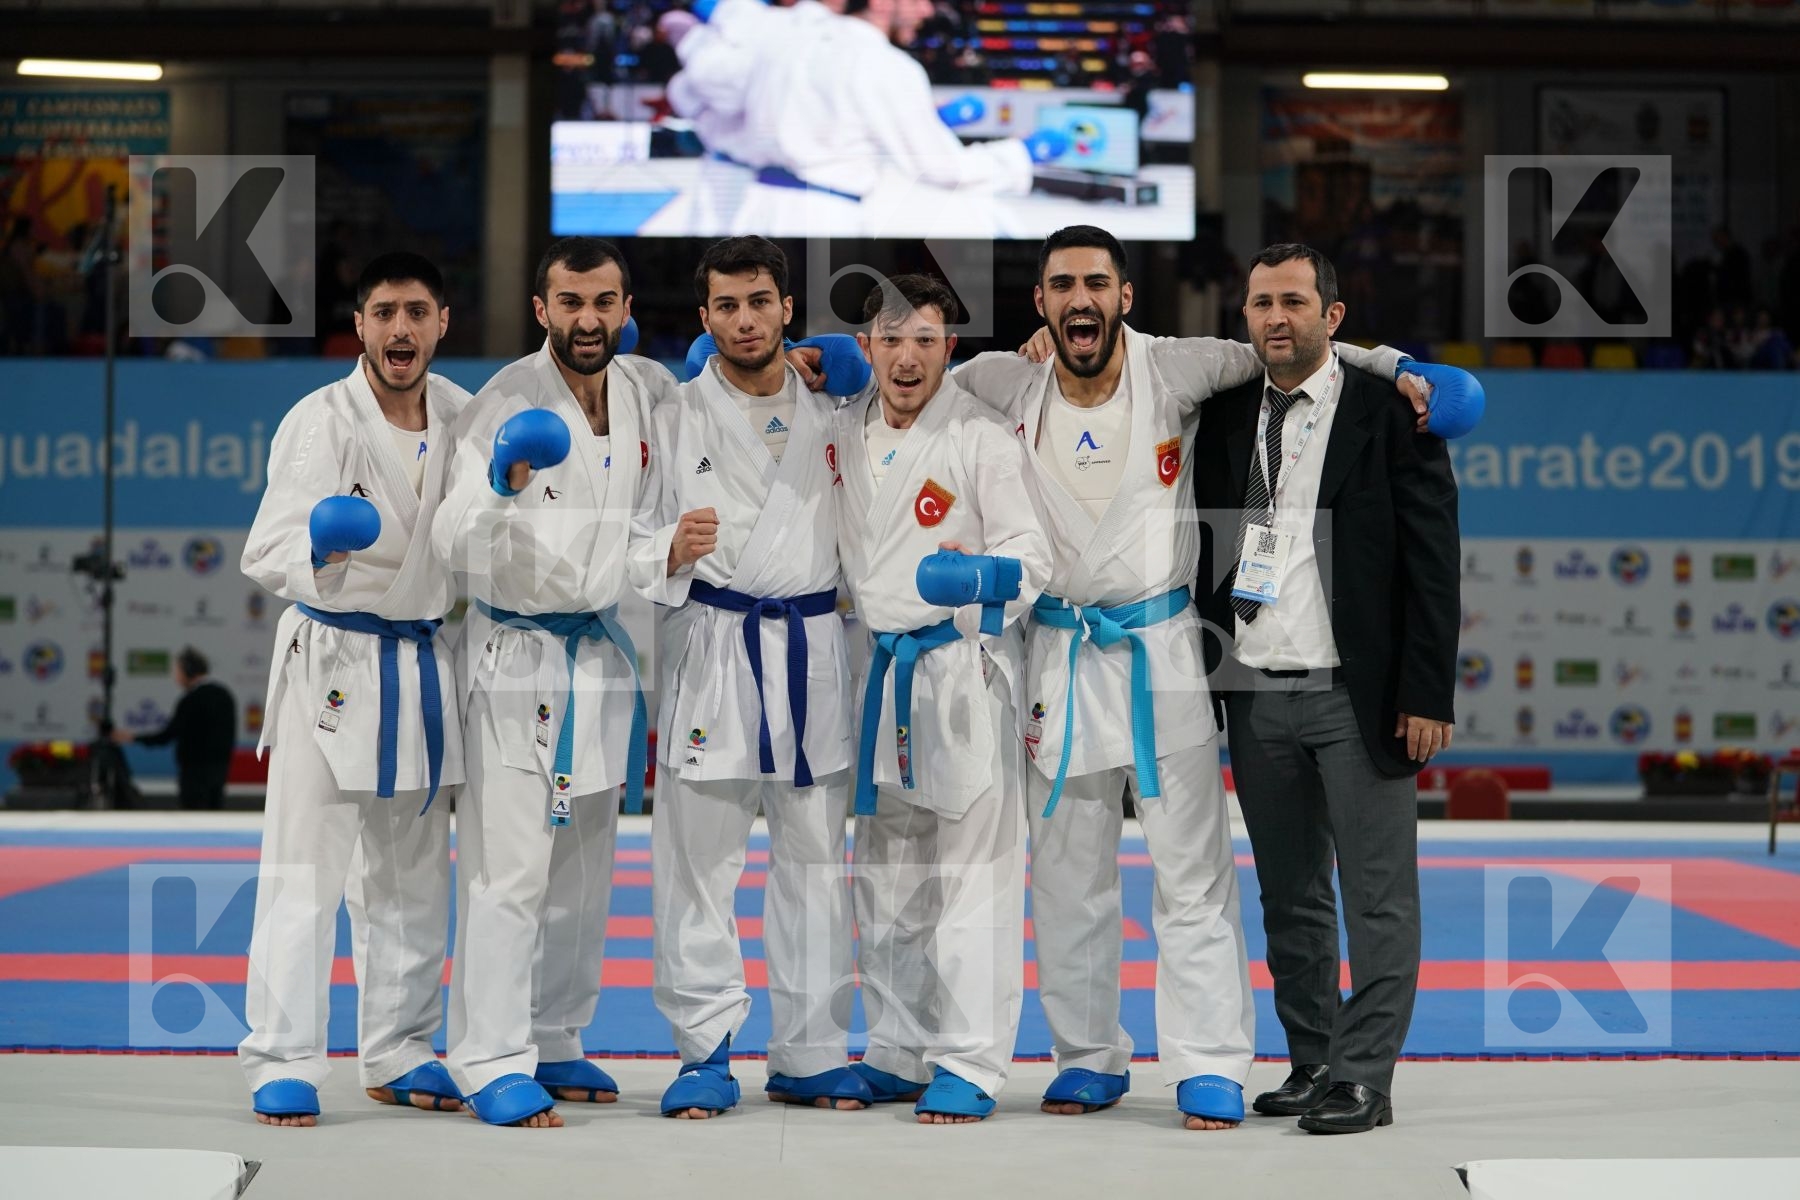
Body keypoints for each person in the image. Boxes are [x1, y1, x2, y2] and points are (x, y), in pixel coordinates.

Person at [955, 225, 1454, 1132]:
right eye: (1061, 285)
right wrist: (811, 363)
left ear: (1126, 295)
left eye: (1096, 282)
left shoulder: (1185, 369)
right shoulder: (1006, 381)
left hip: (1182, 659)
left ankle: (1217, 1063)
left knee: (1198, 876)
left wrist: (1401, 363)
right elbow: (904, 383)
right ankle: (1092, 1055)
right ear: (1040, 303)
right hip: (1089, 661)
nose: (1079, 299)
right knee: (1080, 875)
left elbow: (1302, 354)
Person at [1193, 243, 1461, 1135]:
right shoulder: (1226, 415)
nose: (1277, 317)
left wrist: (1427, 694)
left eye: (1295, 302)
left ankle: (1365, 1075)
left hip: (1361, 694)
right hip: (1255, 689)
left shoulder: (1391, 413)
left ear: (1333, 318)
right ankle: (1312, 1056)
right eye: (1262, 302)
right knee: (1290, 894)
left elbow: (1433, 566)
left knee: (1377, 895)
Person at [435, 237, 673, 1128]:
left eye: (603, 303)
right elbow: (453, 544)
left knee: (584, 870)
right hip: (516, 661)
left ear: (624, 305)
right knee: (510, 871)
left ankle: (558, 1034)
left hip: (601, 659)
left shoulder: (645, 393)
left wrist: (666, 552)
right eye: (570, 304)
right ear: (542, 310)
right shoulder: (503, 400)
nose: (588, 320)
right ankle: (490, 1058)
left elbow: (640, 529)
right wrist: (498, 481)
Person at [635, 236, 873, 1119]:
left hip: (811, 651)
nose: (744, 319)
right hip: (716, 649)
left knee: (814, 861)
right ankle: (704, 1050)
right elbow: (628, 530)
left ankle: (810, 1052)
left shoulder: (839, 408)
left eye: (760, 302)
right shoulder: (671, 412)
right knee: (699, 863)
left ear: (786, 311)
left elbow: (933, 375)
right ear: (704, 319)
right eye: (726, 306)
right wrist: (665, 548)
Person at [238, 252, 471, 1126]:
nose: (400, 329)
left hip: (419, 659)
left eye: (416, 311)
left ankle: (401, 1048)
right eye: (383, 313)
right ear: (361, 326)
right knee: (306, 869)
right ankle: (282, 1056)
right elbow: (266, 546)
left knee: (411, 878)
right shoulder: (320, 419)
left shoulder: (462, 413)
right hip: (333, 660)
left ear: (442, 322)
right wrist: (321, 551)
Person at [835, 273, 1052, 1123]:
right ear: (867, 348)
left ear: (948, 349)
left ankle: (970, 1061)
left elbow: (1031, 551)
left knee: (972, 877)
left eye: (926, 339)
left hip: (962, 671)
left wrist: (986, 577)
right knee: (887, 875)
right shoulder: (840, 432)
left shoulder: (981, 437)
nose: (908, 355)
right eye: (892, 338)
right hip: (879, 675)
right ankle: (895, 1046)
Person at [659, 0, 1066, 237]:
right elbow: (940, 168)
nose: (926, 10)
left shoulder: (786, 43)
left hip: (757, 207)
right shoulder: (882, 63)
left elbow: (798, 124)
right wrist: (1023, 154)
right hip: (822, 221)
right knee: (827, 364)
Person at [111, 647, 236, 810]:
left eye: (177, 671)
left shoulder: (191, 700)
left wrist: (133, 737)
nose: (175, 677)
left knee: (195, 820)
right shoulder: (225, 695)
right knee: (214, 817)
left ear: (188, 671)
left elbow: (168, 735)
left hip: (193, 774)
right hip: (220, 771)